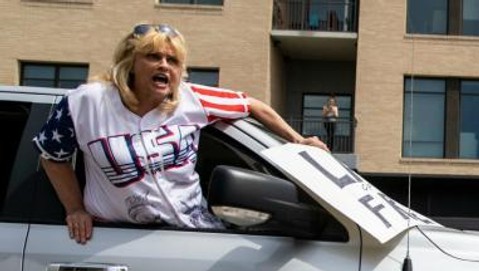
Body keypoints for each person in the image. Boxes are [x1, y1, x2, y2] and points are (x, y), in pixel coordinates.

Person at [33, 23, 328, 245]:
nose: (164, 65)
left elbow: (251, 105)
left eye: (173, 60)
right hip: (116, 240)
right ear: (130, 63)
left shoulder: (192, 99)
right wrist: (75, 209)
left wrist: (298, 140)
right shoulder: (85, 102)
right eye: (153, 56)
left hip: (193, 231)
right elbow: (51, 157)